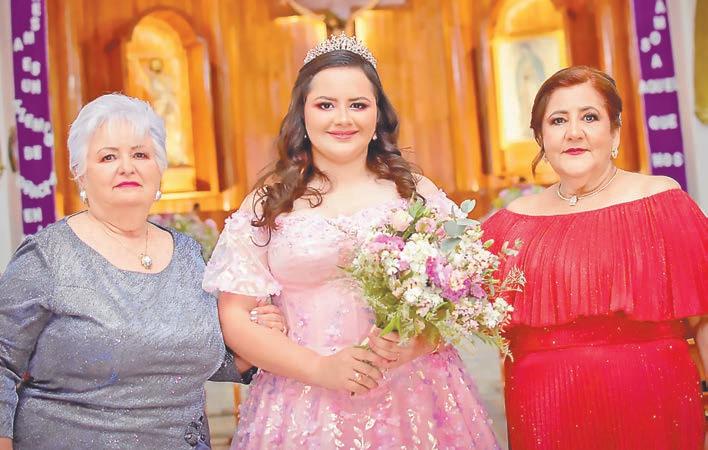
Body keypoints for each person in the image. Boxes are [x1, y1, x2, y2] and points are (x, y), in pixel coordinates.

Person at [204, 34, 500, 449]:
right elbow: (234, 317)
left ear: (378, 115)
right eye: (325, 105)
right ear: (302, 114)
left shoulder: (416, 194)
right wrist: (320, 368)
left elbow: (464, 296)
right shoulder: (268, 203)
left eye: (358, 105)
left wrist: (415, 344)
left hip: (415, 396)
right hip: (303, 400)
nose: (342, 119)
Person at [0, 94, 285, 450]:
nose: (127, 167)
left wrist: (251, 342)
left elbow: (179, 360)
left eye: (140, 155)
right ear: (80, 174)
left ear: (159, 168)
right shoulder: (47, 256)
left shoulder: (187, 254)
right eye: (108, 157)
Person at [482, 66, 708, 449]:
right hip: (545, 406)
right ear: (540, 138)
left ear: (614, 132)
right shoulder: (509, 225)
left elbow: (704, 319)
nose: (574, 132)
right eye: (558, 120)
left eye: (589, 117)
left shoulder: (662, 202)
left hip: (654, 399)